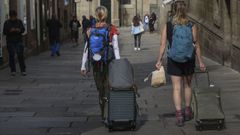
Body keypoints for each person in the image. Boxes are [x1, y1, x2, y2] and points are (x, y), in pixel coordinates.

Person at [155, 1, 206, 127]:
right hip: (189, 59)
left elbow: (162, 44)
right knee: (188, 85)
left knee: (176, 88)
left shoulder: (168, 25)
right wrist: (201, 61)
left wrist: (159, 60)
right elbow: (197, 45)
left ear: (173, 10)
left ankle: (179, 115)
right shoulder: (192, 25)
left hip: (174, 59)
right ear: (185, 10)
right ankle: (188, 111)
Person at [80, 6, 120, 122]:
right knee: (108, 87)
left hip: (95, 63)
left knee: (100, 89)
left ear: (96, 16)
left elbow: (86, 49)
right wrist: (118, 64)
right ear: (106, 15)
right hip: (108, 62)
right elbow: (116, 48)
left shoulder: (89, 30)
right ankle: (109, 113)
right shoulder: (111, 29)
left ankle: (103, 114)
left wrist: (83, 65)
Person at [3, 10, 26, 76]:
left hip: (18, 41)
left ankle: (23, 70)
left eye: (14, 16)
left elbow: (23, 29)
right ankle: (13, 70)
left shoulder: (19, 22)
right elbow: (4, 32)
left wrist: (19, 30)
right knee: (11, 56)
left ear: (16, 16)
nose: (13, 18)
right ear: (10, 16)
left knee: (20, 56)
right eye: (12, 17)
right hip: (10, 42)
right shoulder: (7, 23)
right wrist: (10, 31)